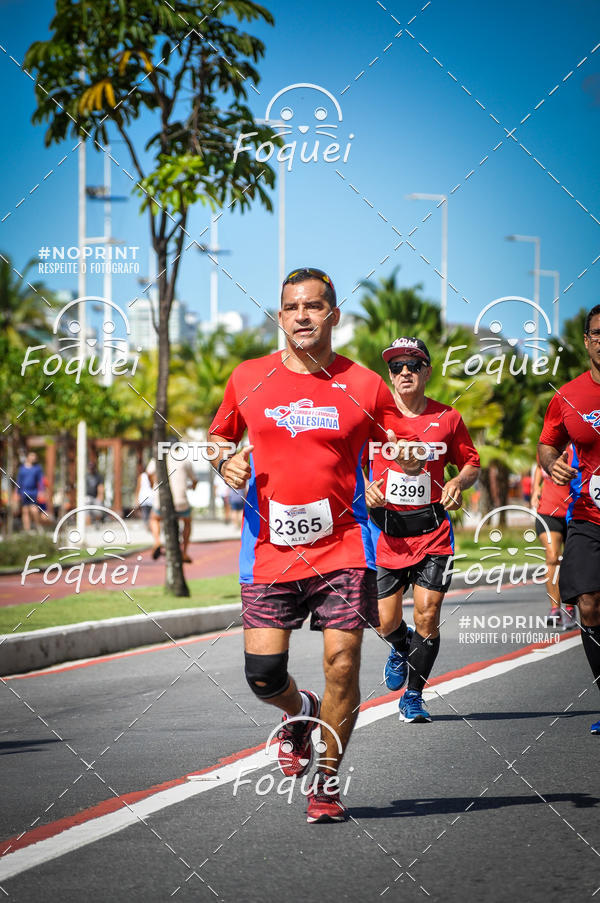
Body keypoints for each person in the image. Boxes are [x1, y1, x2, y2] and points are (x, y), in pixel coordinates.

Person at [208, 267, 421, 823]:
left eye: (313, 306)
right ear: (280, 317)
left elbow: (398, 439)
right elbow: (218, 437)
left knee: (342, 665)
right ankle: (299, 709)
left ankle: (326, 784)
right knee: (262, 677)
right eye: (291, 307)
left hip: (345, 546)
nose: (301, 316)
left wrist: (400, 461)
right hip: (268, 548)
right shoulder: (248, 377)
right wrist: (224, 461)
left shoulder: (365, 384)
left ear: (333, 315)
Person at [366, 337, 480, 723]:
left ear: (427, 372)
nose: (405, 372)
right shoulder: (373, 420)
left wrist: (458, 482)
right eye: (396, 366)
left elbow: (471, 463)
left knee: (427, 616)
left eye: (413, 365)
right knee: (385, 622)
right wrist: (364, 487)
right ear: (389, 375)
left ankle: (413, 696)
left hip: (433, 532)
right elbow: (348, 461)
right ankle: (401, 647)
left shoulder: (448, 418)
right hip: (387, 534)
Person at [538, 304, 600, 735]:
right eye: (598, 334)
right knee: (589, 603)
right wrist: (552, 464)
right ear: (587, 340)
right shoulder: (568, 396)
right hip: (588, 516)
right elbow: (548, 443)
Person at [531, 446, 578, 630]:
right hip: (548, 511)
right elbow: (539, 467)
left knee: (572, 561)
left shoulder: (577, 448)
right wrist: (535, 488)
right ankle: (555, 609)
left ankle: (570, 607)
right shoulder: (547, 447)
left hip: (574, 512)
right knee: (552, 557)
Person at [147, 445, 198, 562]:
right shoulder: (185, 459)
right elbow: (194, 480)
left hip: (163, 501)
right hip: (181, 502)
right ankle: (184, 551)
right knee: (188, 522)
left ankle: (157, 541)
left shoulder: (159, 457)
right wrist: (192, 487)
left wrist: (152, 483)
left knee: (154, 518)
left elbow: (149, 472)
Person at [16, 451, 45, 532]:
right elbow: (19, 481)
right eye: (32, 456)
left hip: (33, 492)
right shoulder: (22, 469)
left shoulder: (37, 468)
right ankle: (27, 530)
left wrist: (41, 490)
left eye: (34, 457)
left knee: (34, 509)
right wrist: (17, 493)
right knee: (25, 511)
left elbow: (40, 480)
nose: (33, 458)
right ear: (28, 457)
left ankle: (38, 526)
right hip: (23, 492)